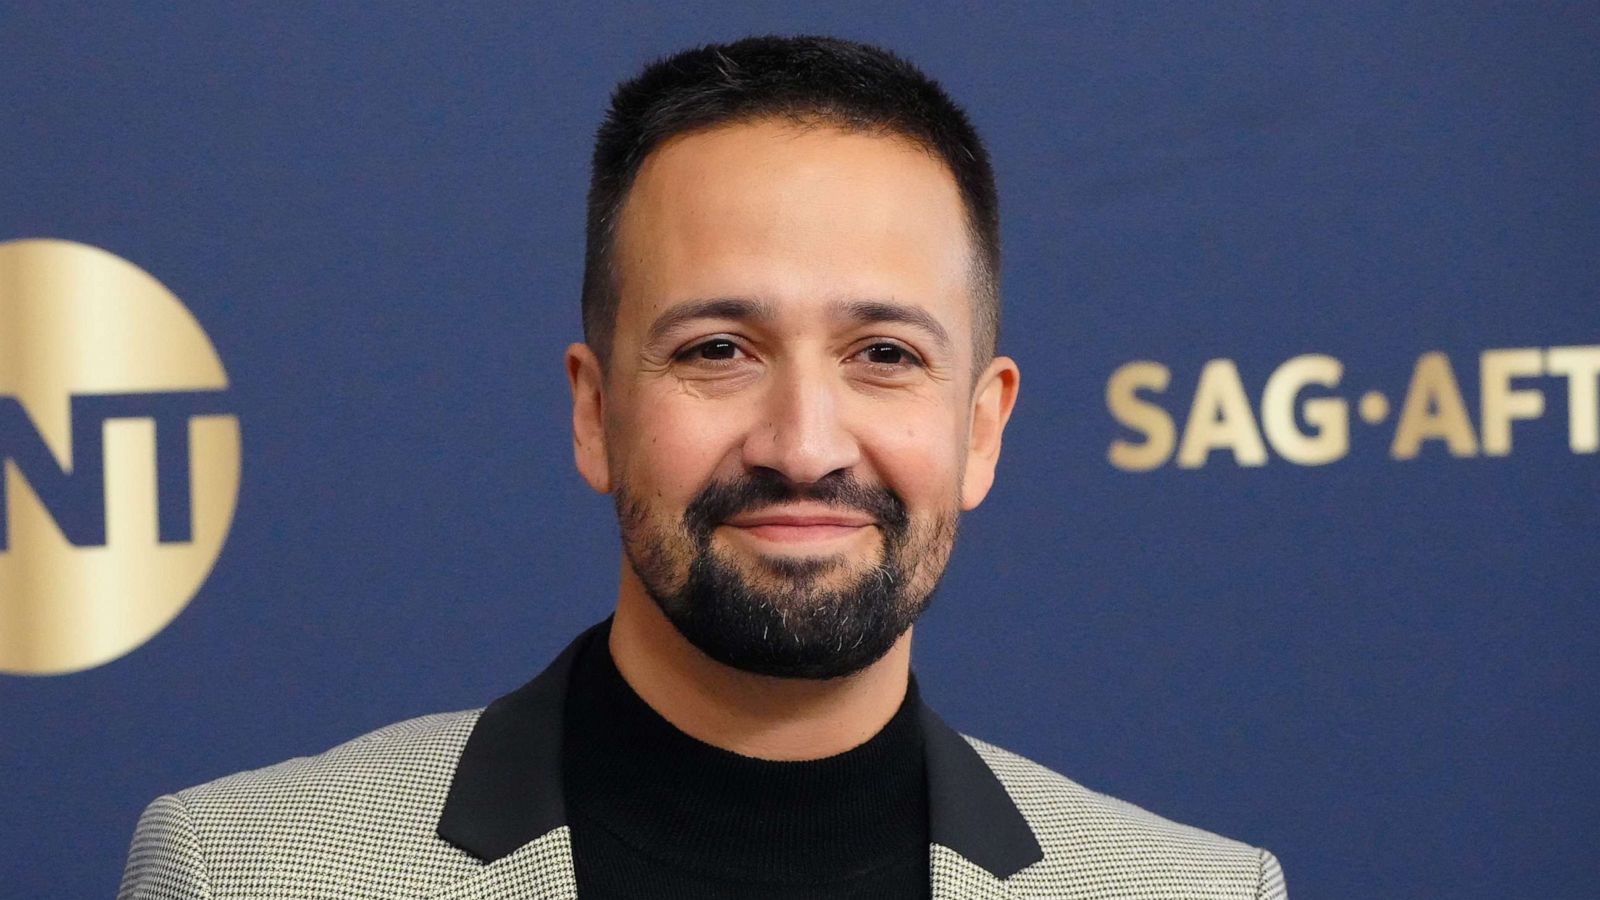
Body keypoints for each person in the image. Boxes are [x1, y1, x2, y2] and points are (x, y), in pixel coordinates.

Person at [119, 35, 1287, 899]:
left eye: (883, 354)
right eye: (717, 350)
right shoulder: (249, 872)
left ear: (981, 428)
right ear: (594, 411)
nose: (804, 444)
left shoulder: (1191, 889)